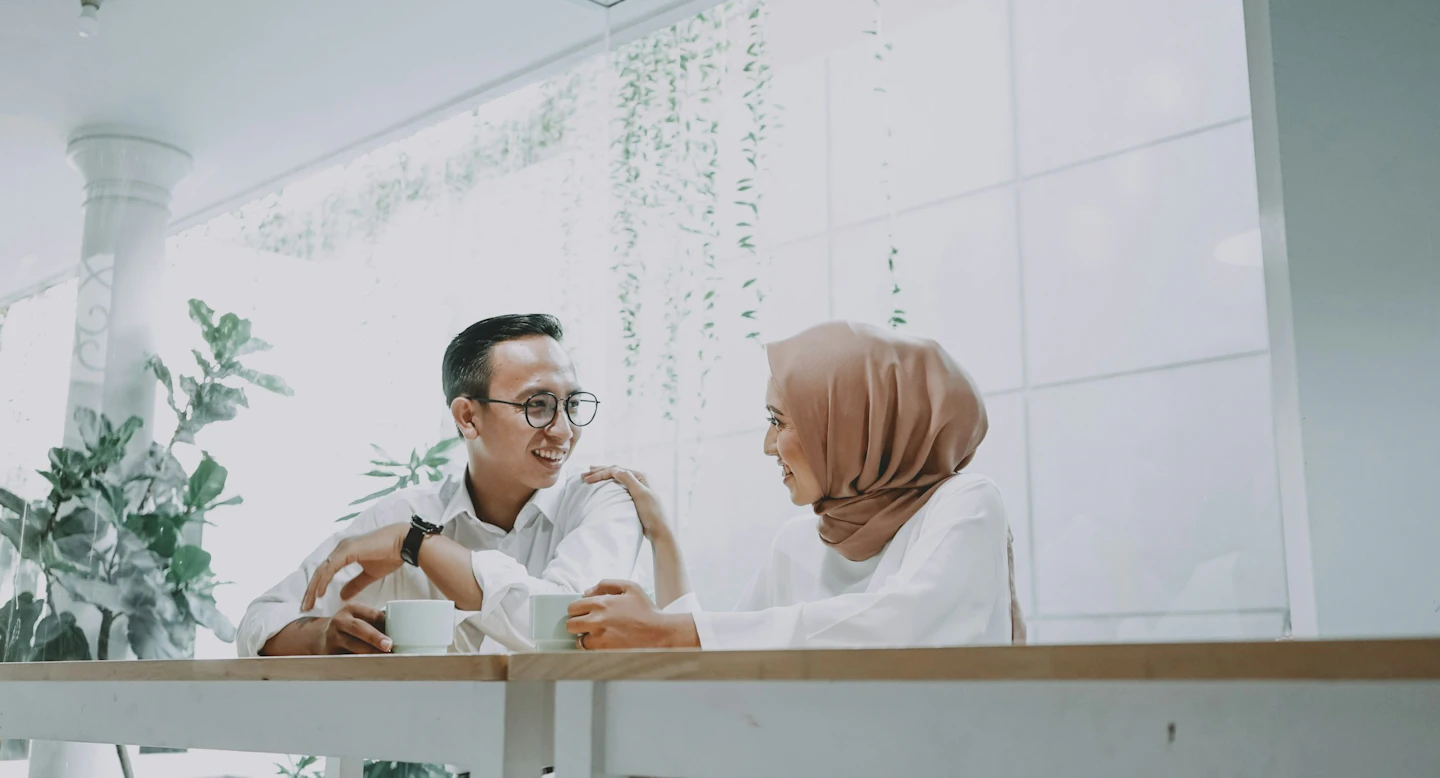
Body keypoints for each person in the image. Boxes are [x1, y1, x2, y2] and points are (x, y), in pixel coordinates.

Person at [567, 321, 1025, 650]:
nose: (769, 446)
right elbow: (719, 652)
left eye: (778, 421)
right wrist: (660, 537)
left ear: (847, 425)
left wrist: (666, 631)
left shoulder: (964, 503)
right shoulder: (801, 540)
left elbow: (904, 628)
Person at [236, 314, 644, 656]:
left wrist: (417, 545)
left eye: (571, 404)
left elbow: (565, 627)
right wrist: (322, 636)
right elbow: (261, 620)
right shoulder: (402, 513)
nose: (564, 430)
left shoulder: (603, 499)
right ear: (468, 417)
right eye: (537, 405)